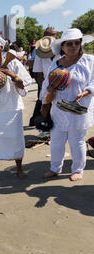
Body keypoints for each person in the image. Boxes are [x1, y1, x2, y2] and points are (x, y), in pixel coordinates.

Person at [42, 28, 94, 182]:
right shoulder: (55, 63)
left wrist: (86, 92)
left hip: (79, 108)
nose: (73, 46)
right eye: (69, 43)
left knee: (77, 141)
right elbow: (46, 82)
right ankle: (55, 168)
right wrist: (49, 89)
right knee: (56, 140)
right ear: (62, 46)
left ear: (81, 43)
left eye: (77, 42)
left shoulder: (89, 60)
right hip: (59, 109)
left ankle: (78, 169)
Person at [0, 37, 33, 179]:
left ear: (1, 49)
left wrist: (12, 75)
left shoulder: (14, 63)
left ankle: (19, 168)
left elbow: (26, 81)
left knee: (15, 138)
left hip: (12, 108)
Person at [29, 27, 60, 127]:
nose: (50, 38)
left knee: (60, 109)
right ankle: (45, 127)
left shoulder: (63, 50)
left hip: (62, 84)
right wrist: (45, 88)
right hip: (46, 84)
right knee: (44, 104)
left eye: (53, 35)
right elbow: (39, 75)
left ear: (57, 36)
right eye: (47, 35)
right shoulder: (39, 53)